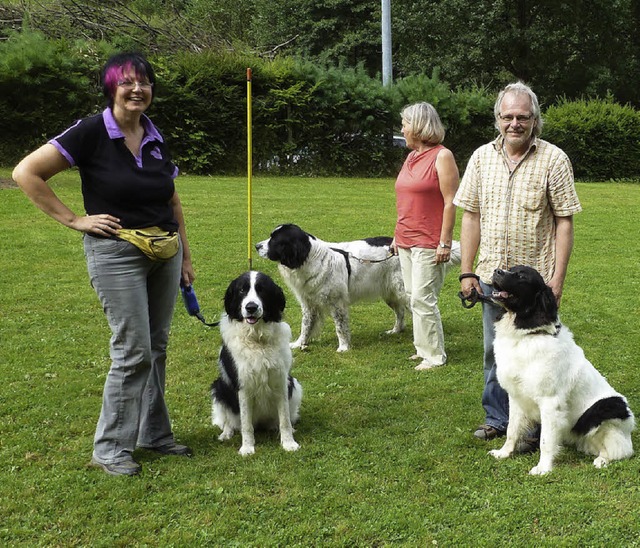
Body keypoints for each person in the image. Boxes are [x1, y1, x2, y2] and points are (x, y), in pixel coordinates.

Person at [12, 52, 195, 476]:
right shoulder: (91, 132)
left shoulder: (153, 133)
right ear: (110, 87)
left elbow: (171, 198)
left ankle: (155, 433)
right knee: (133, 350)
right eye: (127, 81)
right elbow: (26, 173)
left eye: (144, 82)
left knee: (157, 347)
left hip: (163, 251)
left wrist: (186, 254)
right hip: (116, 253)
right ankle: (111, 447)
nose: (137, 89)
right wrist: (75, 219)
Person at [454, 82, 582, 445]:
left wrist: (557, 279)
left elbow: (564, 221)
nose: (515, 123)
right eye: (508, 116)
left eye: (522, 117)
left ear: (535, 119)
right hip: (493, 277)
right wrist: (467, 271)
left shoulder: (554, 159)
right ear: (498, 118)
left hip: (534, 285)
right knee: (496, 353)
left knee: (539, 356)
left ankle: (538, 427)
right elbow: (471, 216)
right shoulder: (480, 158)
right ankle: (499, 418)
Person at [391, 102, 460, 371]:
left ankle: (435, 355)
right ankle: (422, 348)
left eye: (405, 124)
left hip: (429, 240)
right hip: (405, 238)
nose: (402, 129)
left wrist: (444, 241)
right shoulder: (411, 158)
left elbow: (451, 200)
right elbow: (406, 200)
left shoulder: (442, 156)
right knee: (411, 296)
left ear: (419, 126)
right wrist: (397, 235)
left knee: (422, 297)